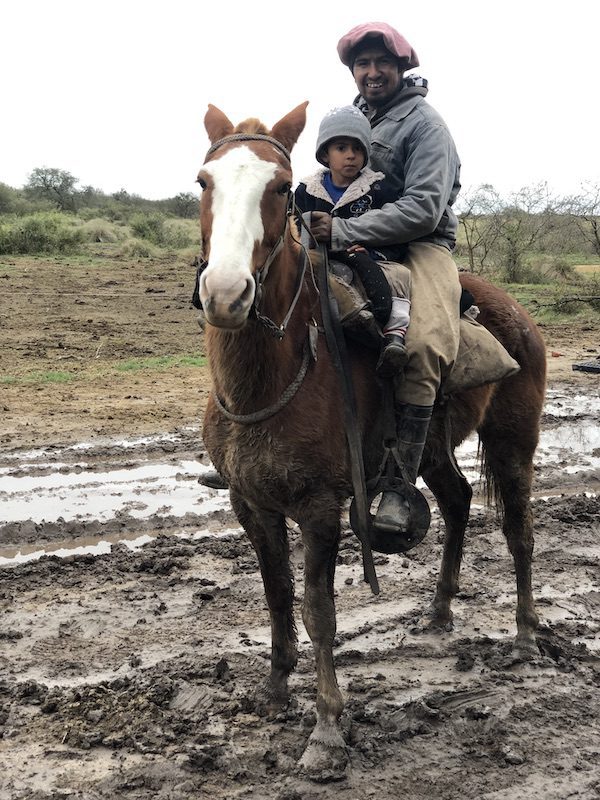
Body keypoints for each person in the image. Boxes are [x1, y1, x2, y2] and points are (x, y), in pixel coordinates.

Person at [307, 21, 465, 538]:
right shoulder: (350, 120)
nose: (371, 73)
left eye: (382, 64)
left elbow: (423, 209)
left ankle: (397, 486)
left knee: (423, 345)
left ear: (401, 69)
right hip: (347, 238)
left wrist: (343, 227)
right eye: (362, 65)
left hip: (421, 245)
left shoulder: (426, 125)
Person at [295, 104, 412, 374]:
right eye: (342, 148)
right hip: (316, 259)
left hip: (367, 257)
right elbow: (291, 225)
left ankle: (393, 335)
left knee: (397, 279)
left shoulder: (379, 189)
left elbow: (394, 229)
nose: (351, 156)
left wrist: (374, 251)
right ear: (325, 154)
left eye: (357, 149)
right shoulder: (305, 191)